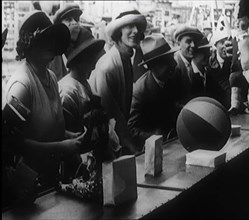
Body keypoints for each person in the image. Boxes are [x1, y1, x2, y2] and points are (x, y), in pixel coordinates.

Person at [4, 11, 85, 194]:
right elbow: (16, 144)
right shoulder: (22, 85)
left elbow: (44, 127)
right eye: (45, 40)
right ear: (30, 45)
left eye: (53, 39)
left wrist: (67, 135)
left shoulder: (50, 76)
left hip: (50, 176)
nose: (51, 45)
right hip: (29, 184)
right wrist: (61, 147)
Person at [89, 9, 147, 154]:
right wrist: (131, 146)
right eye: (129, 26)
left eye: (138, 27)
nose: (135, 31)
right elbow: (111, 113)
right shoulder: (108, 66)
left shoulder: (126, 59)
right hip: (103, 141)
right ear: (118, 32)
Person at [58, 26, 107, 181]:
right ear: (80, 58)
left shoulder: (83, 83)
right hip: (77, 171)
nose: (95, 57)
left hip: (89, 163)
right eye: (91, 54)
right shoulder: (68, 91)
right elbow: (69, 143)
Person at [128, 34, 178, 146]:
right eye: (167, 62)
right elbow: (131, 129)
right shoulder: (140, 92)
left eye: (172, 59)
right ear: (152, 66)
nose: (174, 64)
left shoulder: (171, 80)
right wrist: (153, 136)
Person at [48, 3, 83, 81]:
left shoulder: (82, 48)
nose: (74, 23)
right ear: (59, 26)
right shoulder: (52, 55)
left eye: (76, 19)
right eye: (68, 20)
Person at [173, 25, 204, 105]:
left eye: (195, 42)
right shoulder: (174, 66)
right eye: (188, 41)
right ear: (178, 43)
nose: (193, 45)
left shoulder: (191, 64)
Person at [208, 31, 232, 109]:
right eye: (222, 42)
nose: (225, 46)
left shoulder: (235, 63)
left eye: (227, 42)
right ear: (215, 45)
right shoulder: (209, 62)